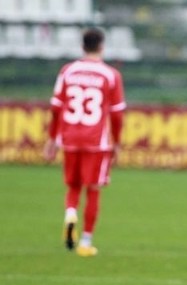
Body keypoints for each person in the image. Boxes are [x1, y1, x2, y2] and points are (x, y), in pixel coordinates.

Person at [44, 27, 126, 257]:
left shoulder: (68, 71)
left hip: (69, 136)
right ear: (102, 46)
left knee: (73, 186)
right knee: (93, 189)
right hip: (96, 140)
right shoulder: (110, 75)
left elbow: (56, 108)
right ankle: (86, 241)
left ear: (82, 46)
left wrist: (52, 138)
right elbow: (117, 113)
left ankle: (71, 213)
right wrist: (117, 142)